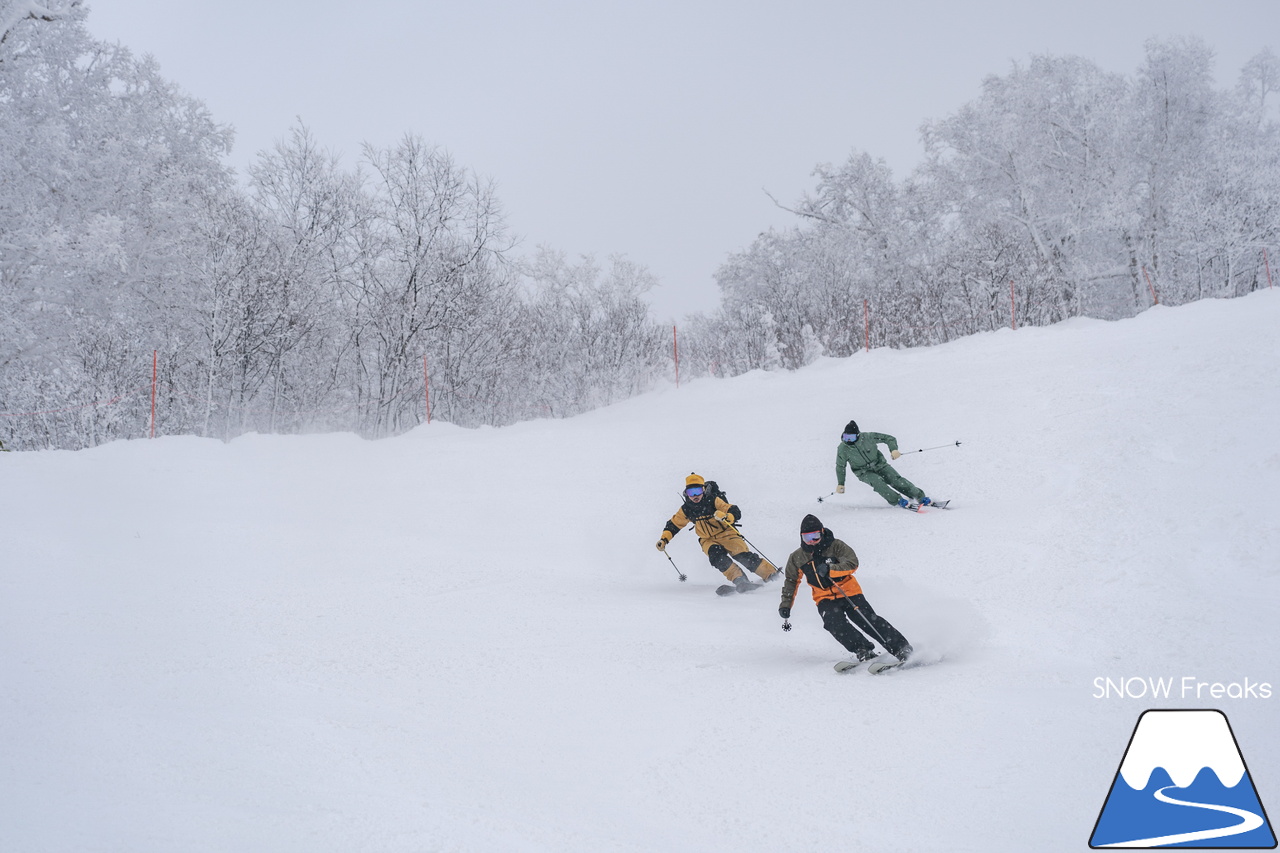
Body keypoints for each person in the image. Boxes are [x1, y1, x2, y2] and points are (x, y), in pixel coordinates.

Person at [778, 514, 912, 666]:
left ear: (822, 532)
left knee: (865, 619)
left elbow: (852, 563)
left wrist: (830, 569)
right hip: (824, 598)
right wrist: (785, 605)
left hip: (848, 592)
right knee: (833, 623)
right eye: (807, 538)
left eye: (815, 536)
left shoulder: (836, 546)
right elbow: (791, 581)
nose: (812, 541)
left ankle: (901, 649)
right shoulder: (797, 557)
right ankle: (862, 649)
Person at [656, 473, 780, 592]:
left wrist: (727, 517)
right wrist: (664, 539)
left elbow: (734, 510)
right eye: (690, 492)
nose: (695, 496)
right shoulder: (687, 509)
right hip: (707, 540)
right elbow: (674, 524)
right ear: (686, 494)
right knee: (717, 557)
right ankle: (740, 580)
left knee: (741, 555)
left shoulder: (713, 500)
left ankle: (771, 575)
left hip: (727, 533)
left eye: (698, 491)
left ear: (703, 490)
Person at [835, 420, 933, 509]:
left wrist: (893, 449)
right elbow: (840, 466)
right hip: (863, 472)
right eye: (846, 437)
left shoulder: (868, 437)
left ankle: (919, 496)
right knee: (878, 482)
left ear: (858, 435)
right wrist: (841, 483)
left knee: (896, 480)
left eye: (851, 438)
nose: (848, 440)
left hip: (880, 465)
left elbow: (889, 439)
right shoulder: (843, 448)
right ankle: (898, 500)